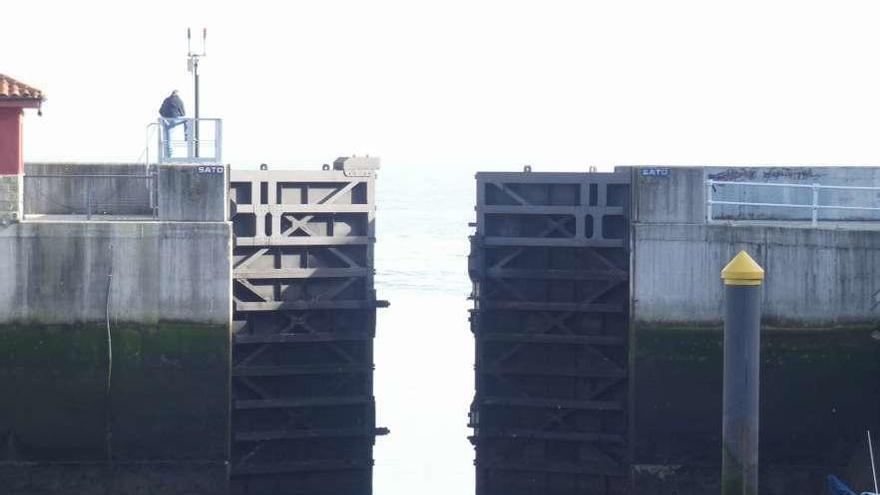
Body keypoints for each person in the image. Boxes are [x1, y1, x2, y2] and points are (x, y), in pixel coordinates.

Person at [158, 90, 189, 158]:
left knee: (168, 139)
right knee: (187, 120)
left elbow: (160, 111)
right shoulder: (179, 100)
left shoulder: (166, 100)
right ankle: (187, 135)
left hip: (165, 120)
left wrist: (165, 116)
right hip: (174, 119)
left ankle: (169, 156)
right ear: (177, 94)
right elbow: (183, 113)